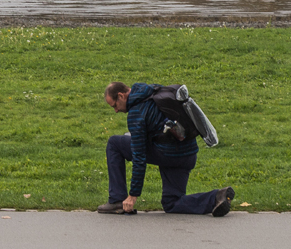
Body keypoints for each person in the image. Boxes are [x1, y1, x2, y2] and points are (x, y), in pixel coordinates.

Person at [99, 82, 234, 216]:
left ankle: (117, 200)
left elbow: (139, 157)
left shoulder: (136, 113)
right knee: (172, 203)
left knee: (114, 143)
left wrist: (133, 196)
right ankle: (216, 197)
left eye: (115, 106)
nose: (116, 111)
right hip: (188, 153)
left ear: (121, 96)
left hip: (168, 155)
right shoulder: (154, 90)